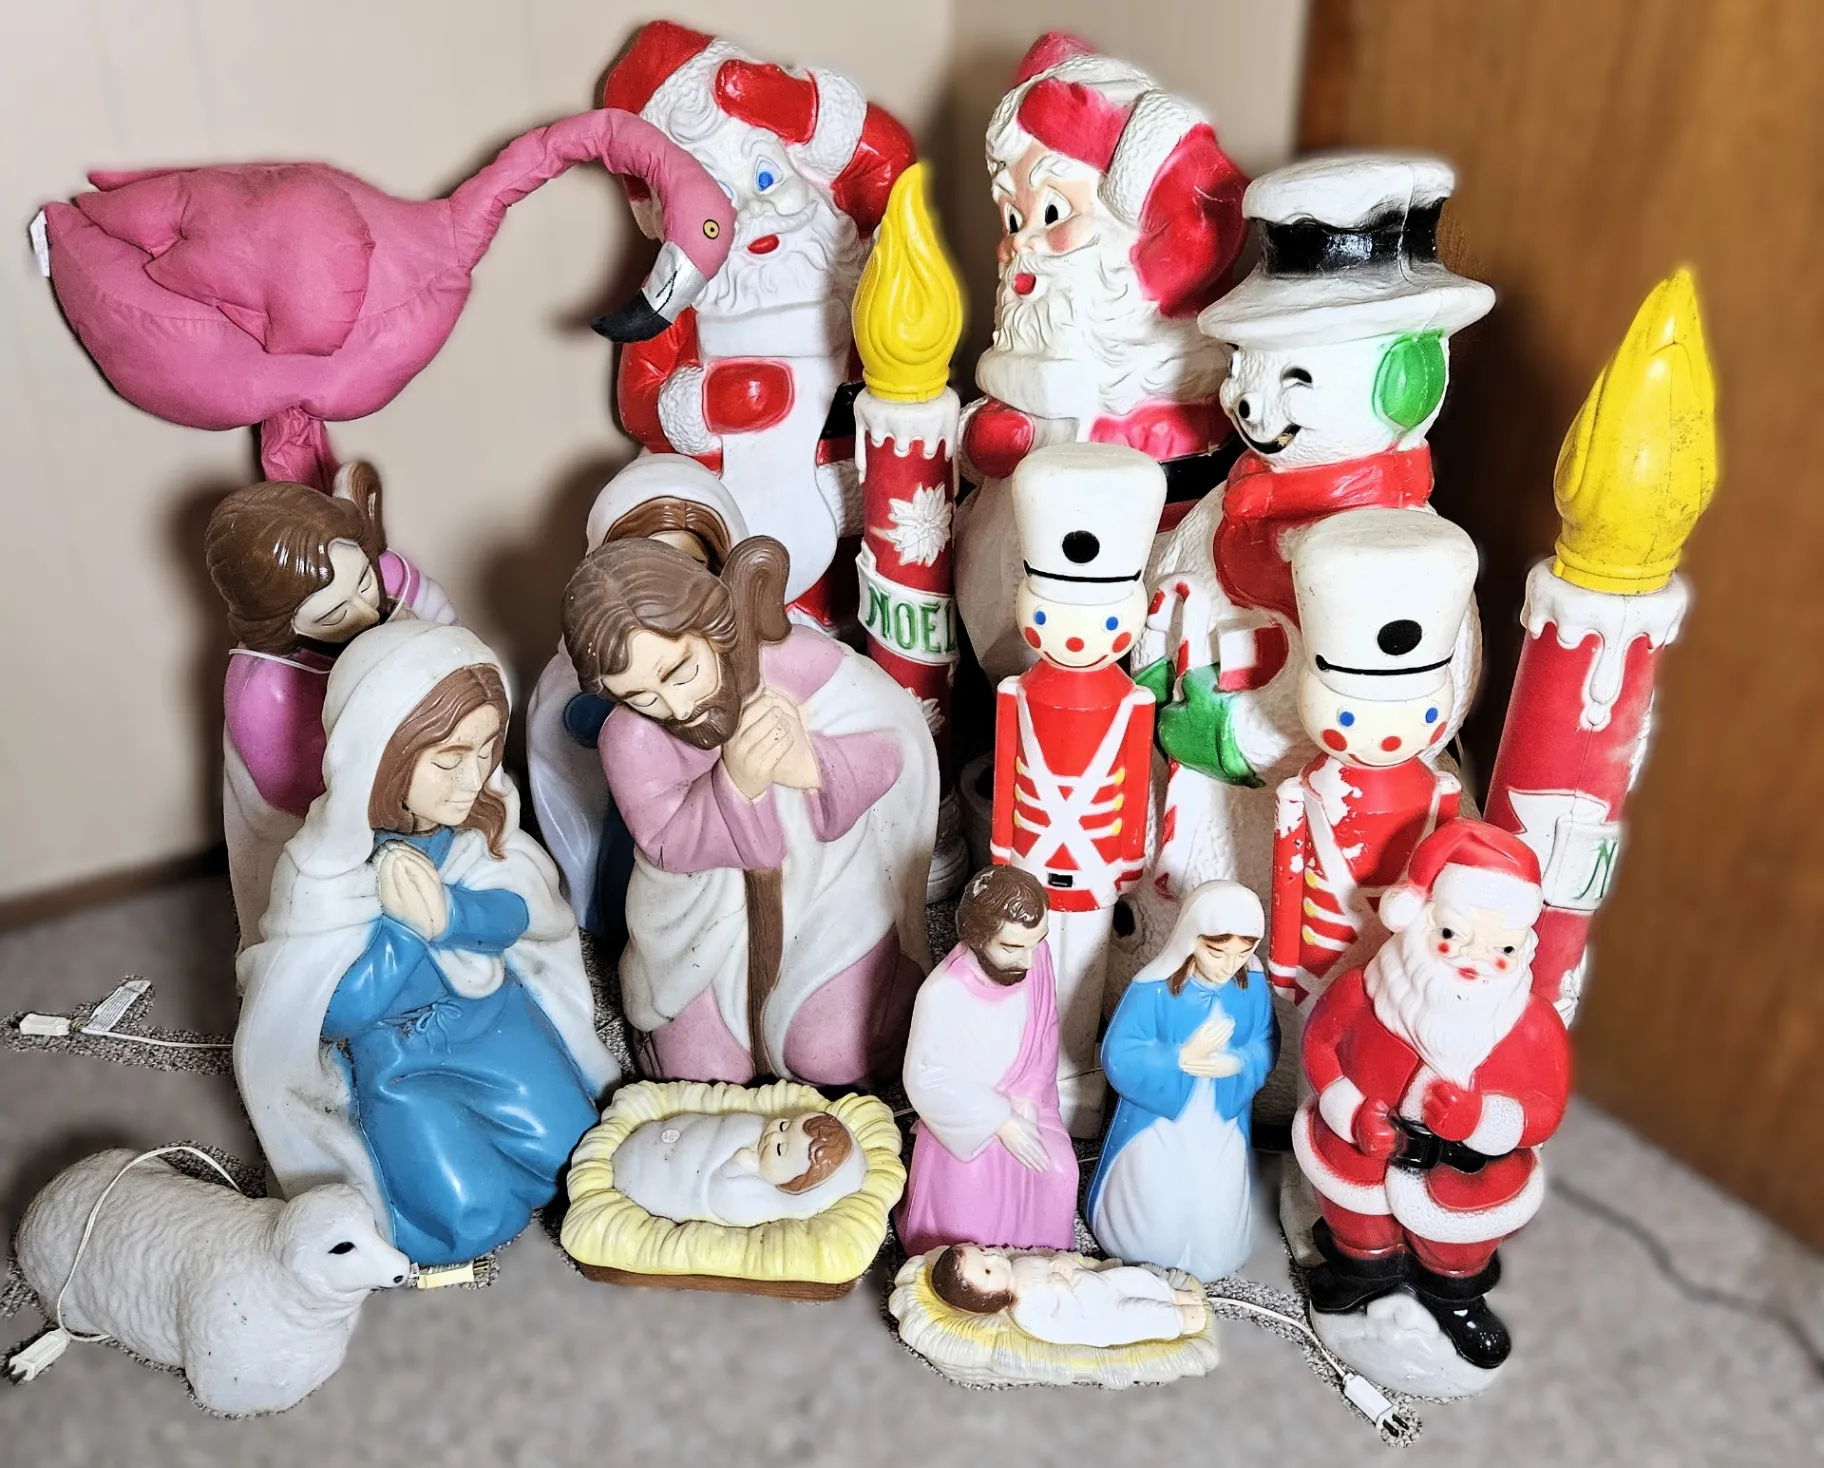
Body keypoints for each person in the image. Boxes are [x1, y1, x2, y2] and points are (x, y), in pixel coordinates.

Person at [235, 620, 619, 1267]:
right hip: (400, 1063)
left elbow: (521, 912)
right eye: (448, 758)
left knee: (575, 1160)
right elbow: (332, 1009)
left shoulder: (476, 833)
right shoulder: (322, 871)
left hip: (495, 1025)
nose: (472, 778)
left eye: (486, 751)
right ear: (382, 753)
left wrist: (450, 914)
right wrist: (405, 932)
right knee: (466, 1219)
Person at [563, 535, 936, 1087]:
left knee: (836, 1054)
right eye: (640, 697)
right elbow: (663, 841)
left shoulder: (792, 661)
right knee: (704, 1074)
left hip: (828, 897)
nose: (676, 707)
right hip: (703, 923)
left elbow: (894, 740)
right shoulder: (630, 739)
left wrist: (811, 764)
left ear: (708, 625)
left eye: (679, 671)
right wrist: (735, 786)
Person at [952, 31, 1248, 679]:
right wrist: (982, 441)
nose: (1021, 245)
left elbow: (1204, 210)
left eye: (1053, 211)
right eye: (1013, 219)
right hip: (1001, 622)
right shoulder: (1036, 356)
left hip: (1110, 644)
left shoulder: (1148, 382)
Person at [601, 20, 917, 624]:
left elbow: (893, 164)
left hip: (848, 508)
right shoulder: (682, 298)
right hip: (738, 512)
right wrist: (707, 404)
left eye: (765, 175)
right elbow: (639, 404)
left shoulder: (847, 258)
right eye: (719, 203)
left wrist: (803, 110)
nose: (756, 210)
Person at [1293, 819, 1571, 1371]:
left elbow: (1547, 1106)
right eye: (1453, 934)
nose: (1474, 959)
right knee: (1359, 1226)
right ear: (1421, 922)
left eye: (1502, 947)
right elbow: (1320, 1045)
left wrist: (1484, 1119)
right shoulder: (1362, 991)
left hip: (1467, 1174)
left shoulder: (1532, 1023)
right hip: (1363, 1153)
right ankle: (1358, 1273)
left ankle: (1455, 1301)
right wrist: (1350, 1110)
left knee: (1457, 1249)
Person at [204, 464, 455, 943]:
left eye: (362, 584)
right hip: (321, 821)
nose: (366, 614)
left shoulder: (388, 579)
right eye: (335, 613)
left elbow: (457, 643)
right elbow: (302, 799)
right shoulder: (265, 692)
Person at [525, 454, 747, 943]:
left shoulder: (739, 640)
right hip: (654, 820)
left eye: (687, 565)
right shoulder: (604, 671)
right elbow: (574, 718)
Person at [1088, 881, 1277, 1281]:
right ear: (1193, 938)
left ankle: (1215, 1251)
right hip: (1161, 1125)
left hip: (1222, 1120)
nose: (1229, 966)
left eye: (1243, 952)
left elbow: (1265, 1041)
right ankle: (1140, 1244)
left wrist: (1239, 1063)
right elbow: (1119, 1054)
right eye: (1217, 952)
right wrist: (1180, 1058)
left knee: (1216, 1200)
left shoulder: (1252, 985)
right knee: (1158, 1198)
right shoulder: (1154, 988)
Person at [896, 867, 1078, 1256]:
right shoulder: (943, 994)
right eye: (1012, 947)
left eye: (1038, 942)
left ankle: (1040, 1264)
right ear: (977, 938)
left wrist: (1029, 1097)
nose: (1029, 961)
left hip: (1029, 1096)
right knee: (965, 1203)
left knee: (1059, 1171)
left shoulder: (1035, 956)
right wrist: (1001, 1121)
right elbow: (927, 1079)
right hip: (967, 1119)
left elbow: (1046, 1030)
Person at [613, 1109, 865, 1227]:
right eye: (785, 1125)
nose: (773, 1135)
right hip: (684, 1136)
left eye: (780, 1149)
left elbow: (721, 1202)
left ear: (792, 1187)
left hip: (675, 1176)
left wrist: (735, 1168)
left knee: (643, 1172)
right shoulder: (763, 1131)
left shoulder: (765, 1201)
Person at [928, 1245, 1207, 1347]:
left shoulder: (1020, 1263)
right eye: (988, 1270)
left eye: (984, 1251)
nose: (995, 1258)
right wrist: (1064, 1294)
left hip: (1100, 1284)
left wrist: (1064, 1263)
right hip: (1100, 1317)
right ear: (988, 1299)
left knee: (1135, 1278)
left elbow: (1056, 1262)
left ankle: (1171, 1294)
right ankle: (1180, 1319)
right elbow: (1065, 1329)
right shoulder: (1024, 1309)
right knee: (1138, 1313)